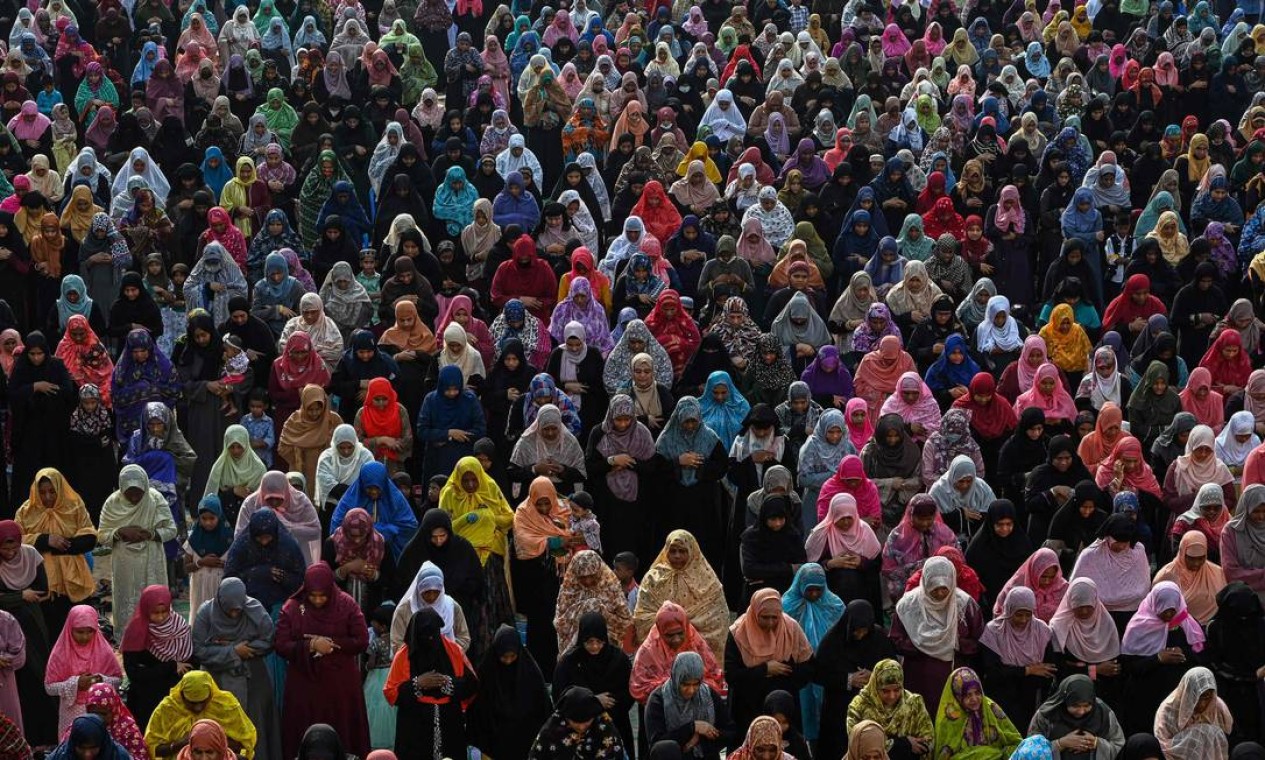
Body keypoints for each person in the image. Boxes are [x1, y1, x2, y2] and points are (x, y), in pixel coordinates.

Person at [274, 564, 370, 758]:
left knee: (342, 727)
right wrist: (311, 645)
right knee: (303, 726)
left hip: (339, 685)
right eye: (313, 595)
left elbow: (361, 640)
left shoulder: (346, 605)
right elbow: (281, 644)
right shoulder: (293, 608)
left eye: (322, 595)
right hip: (305, 685)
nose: (317, 600)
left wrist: (333, 644)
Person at [191, 577, 282, 760]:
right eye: (230, 610)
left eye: (238, 610)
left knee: (256, 725)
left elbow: (269, 639)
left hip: (253, 677)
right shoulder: (206, 613)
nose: (234, 614)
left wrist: (243, 649)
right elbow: (199, 650)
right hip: (217, 680)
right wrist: (233, 652)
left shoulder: (254, 609)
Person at [890, 555, 985, 716]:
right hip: (919, 676)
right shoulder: (908, 605)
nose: (940, 594)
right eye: (934, 589)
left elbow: (979, 640)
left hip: (954, 676)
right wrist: (922, 644)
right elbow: (896, 639)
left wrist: (956, 643)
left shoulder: (964, 604)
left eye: (944, 588)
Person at [98, 465, 178, 631]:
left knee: (154, 603)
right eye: (129, 493)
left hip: (151, 562)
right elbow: (102, 536)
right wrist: (120, 532)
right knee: (128, 604)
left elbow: (171, 530)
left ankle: (158, 638)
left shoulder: (155, 500)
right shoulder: (112, 503)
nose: (134, 497)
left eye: (138, 492)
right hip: (125, 567)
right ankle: (129, 640)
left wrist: (150, 534)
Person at [724, 587, 815, 732]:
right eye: (765, 617)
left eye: (775, 617)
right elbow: (732, 675)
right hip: (748, 708)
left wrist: (783, 671)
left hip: (783, 709)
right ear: (755, 613)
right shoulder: (739, 632)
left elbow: (808, 668)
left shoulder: (791, 628)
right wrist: (764, 669)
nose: (771, 623)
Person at [552, 612, 636, 753]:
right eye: (589, 642)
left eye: (599, 641)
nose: (595, 647)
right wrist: (594, 702)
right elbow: (560, 697)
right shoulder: (570, 663)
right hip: (580, 729)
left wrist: (607, 711)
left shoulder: (618, 660)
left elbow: (628, 693)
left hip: (615, 725)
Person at [468, 624, 551, 760]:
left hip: (524, 738)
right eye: (503, 657)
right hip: (494, 740)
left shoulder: (530, 672)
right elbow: (478, 708)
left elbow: (541, 706)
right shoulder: (487, 671)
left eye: (512, 656)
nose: (508, 661)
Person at [119, 585, 193, 729]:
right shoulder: (136, 631)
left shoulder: (179, 626)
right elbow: (133, 673)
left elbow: (189, 663)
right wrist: (171, 666)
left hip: (175, 697)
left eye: (164, 612)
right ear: (146, 609)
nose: (160, 617)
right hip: (146, 700)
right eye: (155, 613)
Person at [44, 604, 123, 736]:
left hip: (100, 711)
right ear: (70, 629)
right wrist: (75, 683)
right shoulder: (61, 653)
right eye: (80, 632)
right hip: (72, 713)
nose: (85, 637)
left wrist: (100, 680)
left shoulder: (104, 651)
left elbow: (118, 680)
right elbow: (49, 687)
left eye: (90, 631)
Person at [143, 671, 257, 759]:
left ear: (211, 693)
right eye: (192, 702)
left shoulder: (225, 704)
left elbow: (246, 742)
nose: (198, 708)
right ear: (181, 694)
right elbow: (150, 747)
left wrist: (214, 741)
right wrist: (179, 744)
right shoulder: (167, 709)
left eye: (203, 701)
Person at [644, 651, 735, 760]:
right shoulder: (658, 700)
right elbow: (658, 745)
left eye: (696, 684)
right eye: (685, 684)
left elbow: (730, 732)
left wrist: (701, 737)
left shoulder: (708, 695)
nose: (691, 690)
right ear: (676, 678)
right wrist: (692, 728)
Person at [846, 659, 935, 760]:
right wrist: (904, 744)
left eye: (897, 690)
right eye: (885, 691)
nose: (892, 696)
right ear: (875, 686)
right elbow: (858, 742)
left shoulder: (914, 703)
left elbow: (928, 739)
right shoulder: (859, 706)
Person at [930, 667, 1022, 759]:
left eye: (977, 693)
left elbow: (1015, 741)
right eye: (968, 695)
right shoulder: (949, 718)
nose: (974, 699)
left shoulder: (990, 707)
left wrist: (995, 754)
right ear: (958, 697)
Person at [1028, 675, 1127, 760]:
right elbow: (1029, 750)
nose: (1081, 711)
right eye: (1075, 706)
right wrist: (1059, 744)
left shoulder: (1103, 712)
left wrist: (1096, 743)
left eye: (1087, 706)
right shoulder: (1047, 714)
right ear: (1065, 700)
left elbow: (1118, 743)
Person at [527, 685, 627, 760]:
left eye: (587, 721)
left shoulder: (603, 725)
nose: (581, 727)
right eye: (575, 722)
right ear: (565, 716)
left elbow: (614, 754)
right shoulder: (552, 730)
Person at [1153, 667, 1233, 759]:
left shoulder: (1216, 706)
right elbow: (1162, 743)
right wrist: (1195, 737)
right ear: (1187, 691)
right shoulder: (1169, 708)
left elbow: (1226, 738)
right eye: (1196, 696)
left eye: (1207, 697)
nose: (1202, 704)